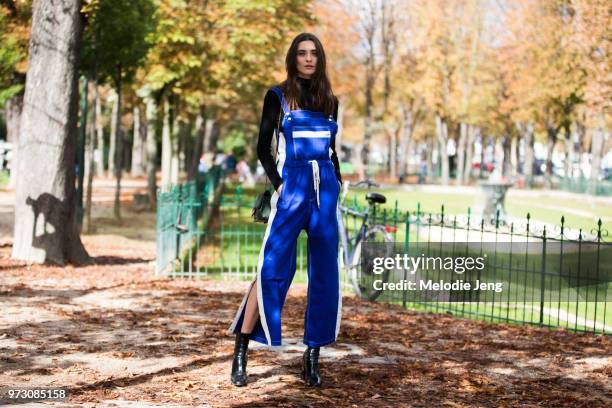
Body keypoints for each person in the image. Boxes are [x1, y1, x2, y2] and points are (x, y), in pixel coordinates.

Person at [227, 32, 343, 387]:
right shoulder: (277, 96)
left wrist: (338, 185)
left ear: (320, 59)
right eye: (302, 53)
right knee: (273, 267)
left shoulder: (330, 101)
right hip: (291, 187)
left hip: (325, 192)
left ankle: (312, 357)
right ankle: (241, 350)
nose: (308, 59)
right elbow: (263, 148)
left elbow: (332, 151)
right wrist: (281, 187)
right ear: (293, 58)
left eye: (313, 54)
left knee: (325, 276)